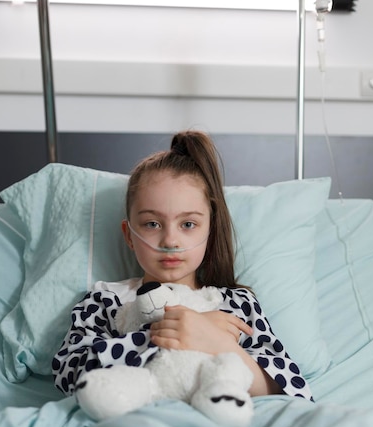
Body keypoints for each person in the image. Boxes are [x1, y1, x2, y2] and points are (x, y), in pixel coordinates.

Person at [52, 130, 313, 403]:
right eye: (152, 224)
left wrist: (215, 341)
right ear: (129, 235)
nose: (170, 241)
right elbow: (69, 375)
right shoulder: (105, 301)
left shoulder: (237, 305)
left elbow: (294, 389)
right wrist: (163, 333)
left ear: (209, 231)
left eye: (188, 224)